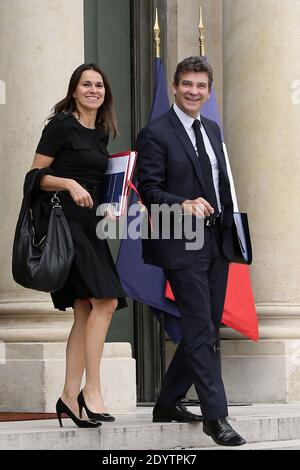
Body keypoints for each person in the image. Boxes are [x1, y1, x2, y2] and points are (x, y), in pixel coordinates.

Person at [136, 56, 246, 446]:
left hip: (216, 241)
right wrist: (181, 203)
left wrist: (233, 231)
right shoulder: (155, 133)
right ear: (175, 86)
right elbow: (148, 189)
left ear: (209, 91)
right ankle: (217, 417)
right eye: (187, 84)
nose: (193, 92)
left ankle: (167, 401)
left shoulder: (212, 129)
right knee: (201, 326)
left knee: (206, 325)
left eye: (200, 86)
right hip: (180, 242)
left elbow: (222, 184)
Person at [30, 63, 127, 428]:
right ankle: (92, 390)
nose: (93, 90)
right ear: (74, 91)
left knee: (86, 309)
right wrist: (68, 184)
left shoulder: (100, 132)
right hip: (65, 224)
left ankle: (69, 396)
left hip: (92, 225)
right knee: (106, 299)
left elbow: (97, 182)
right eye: (86, 84)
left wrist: (113, 202)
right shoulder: (60, 126)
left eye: (99, 85)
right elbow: (35, 177)